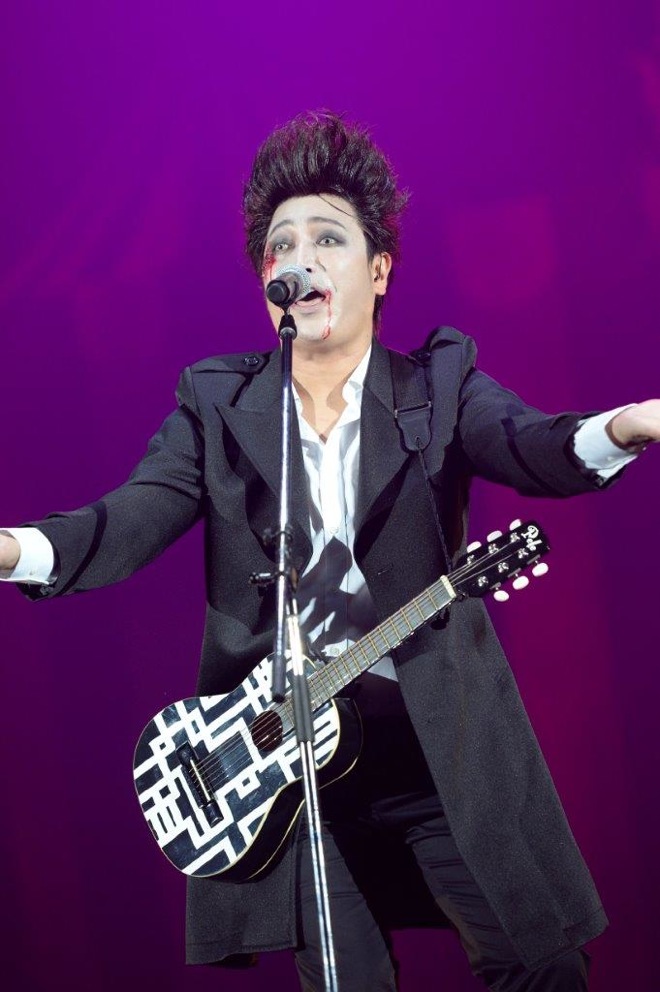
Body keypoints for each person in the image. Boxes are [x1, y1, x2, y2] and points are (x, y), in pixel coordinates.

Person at [1, 111, 659, 992]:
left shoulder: (439, 384)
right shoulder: (220, 407)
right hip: (288, 768)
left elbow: (529, 442)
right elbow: (128, 518)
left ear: (378, 270)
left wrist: (627, 425)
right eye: (282, 246)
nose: (299, 260)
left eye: (328, 239)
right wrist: (12, 549)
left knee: (542, 965)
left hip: (437, 742)